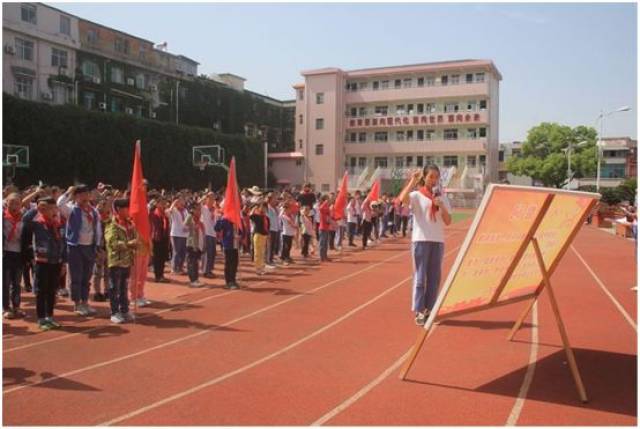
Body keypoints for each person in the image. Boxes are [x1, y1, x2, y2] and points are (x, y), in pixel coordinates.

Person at [398, 165, 452, 326]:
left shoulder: (442, 196)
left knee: (434, 279)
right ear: (425, 177)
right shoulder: (417, 195)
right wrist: (412, 181)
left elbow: (448, 221)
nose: (433, 179)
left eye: (436, 177)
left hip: (437, 241)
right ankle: (419, 310)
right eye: (431, 176)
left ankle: (430, 309)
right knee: (420, 278)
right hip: (421, 240)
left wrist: (441, 205)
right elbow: (403, 199)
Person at [25, 197, 65, 330]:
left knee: (52, 290)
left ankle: (50, 316)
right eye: (50, 208)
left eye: (55, 208)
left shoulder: (56, 223)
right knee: (42, 291)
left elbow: (61, 243)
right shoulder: (37, 222)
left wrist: (62, 261)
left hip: (55, 261)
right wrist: (36, 208)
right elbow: (24, 219)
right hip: (42, 261)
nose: (54, 210)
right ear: (43, 208)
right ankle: (41, 318)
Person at [63, 185, 101, 317]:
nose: (85, 197)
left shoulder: (93, 211)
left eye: (87, 194)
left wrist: (97, 245)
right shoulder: (71, 209)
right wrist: (69, 192)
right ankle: (77, 303)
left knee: (87, 276)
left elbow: (98, 229)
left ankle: (85, 302)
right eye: (81, 195)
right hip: (75, 246)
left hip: (89, 247)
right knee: (76, 276)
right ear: (76, 196)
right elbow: (59, 204)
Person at [105, 198, 138, 324]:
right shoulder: (111, 224)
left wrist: (136, 243)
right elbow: (112, 242)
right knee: (115, 287)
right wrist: (129, 244)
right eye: (126, 208)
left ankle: (124, 310)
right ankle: (114, 312)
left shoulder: (129, 223)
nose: (128, 211)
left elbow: (134, 236)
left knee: (124, 287)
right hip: (116, 261)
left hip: (127, 260)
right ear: (119, 209)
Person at [3, 193, 25, 319]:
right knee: (5, 282)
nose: (14, 205)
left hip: (18, 253)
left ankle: (16, 307)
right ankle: (5, 308)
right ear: (7, 203)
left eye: (17, 203)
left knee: (16, 283)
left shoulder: (24, 218)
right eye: (11, 202)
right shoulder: (3, 217)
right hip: (5, 253)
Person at [214, 216, 241, 289]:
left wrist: (240, 236)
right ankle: (229, 281)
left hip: (235, 245)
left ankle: (233, 279)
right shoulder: (225, 220)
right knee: (229, 263)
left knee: (235, 262)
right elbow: (216, 228)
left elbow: (241, 231)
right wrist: (220, 219)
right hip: (228, 244)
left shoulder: (237, 220)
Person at [92, 199, 111, 302]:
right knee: (98, 272)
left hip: (108, 248)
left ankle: (107, 290)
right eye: (102, 206)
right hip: (99, 248)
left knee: (108, 272)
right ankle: (97, 292)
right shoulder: (96, 219)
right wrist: (96, 248)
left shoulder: (109, 220)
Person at [149, 197, 171, 283]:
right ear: (157, 204)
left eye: (164, 203)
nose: (163, 205)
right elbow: (154, 225)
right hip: (157, 238)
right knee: (157, 258)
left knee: (162, 258)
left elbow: (167, 225)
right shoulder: (154, 213)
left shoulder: (165, 214)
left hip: (164, 237)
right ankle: (157, 276)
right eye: (161, 203)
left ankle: (161, 274)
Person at [184, 201, 205, 287]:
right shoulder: (190, 216)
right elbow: (184, 227)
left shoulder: (199, 218)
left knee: (195, 262)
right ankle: (192, 280)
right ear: (193, 209)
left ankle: (196, 279)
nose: (199, 211)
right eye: (197, 209)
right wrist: (192, 227)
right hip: (191, 242)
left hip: (197, 243)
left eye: (200, 209)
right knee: (191, 262)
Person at [168, 196, 188, 275]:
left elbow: (188, 220)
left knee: (183, 252)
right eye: (180, 202)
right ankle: (174, 268)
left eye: (182, 201)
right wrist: (174, 203)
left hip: (184, 234)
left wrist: (187, 227)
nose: (182, 203)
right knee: (177, 251)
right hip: (176, 233)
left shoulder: (185, 210)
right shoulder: (174, 210)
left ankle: (180, 267)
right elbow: (169, 211)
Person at [200, 192, 218, 279]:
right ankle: (205, 271)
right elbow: (197, 204)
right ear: (206, 199)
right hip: (206, 233)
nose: (212, 200)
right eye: (210, 198)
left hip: (213, 233)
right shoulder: (204, 208)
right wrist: (203, 198)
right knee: (206, 253)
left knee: (212, 253)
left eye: (213, 198)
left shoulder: (215, 210)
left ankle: (209, 270)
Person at [249, 202, 271, 275]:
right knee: (257, 252)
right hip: (258, 235)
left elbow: (268, 227)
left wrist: (268, 235)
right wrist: (255, 207)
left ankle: (262, 267)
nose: (263, 209)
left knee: (262, 252)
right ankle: (257, 268)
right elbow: (250, 216)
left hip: (264, 236)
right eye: (261, 207)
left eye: (264, 208)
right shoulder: (257, 216)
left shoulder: (267, 218)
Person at [318, 195, 332, 262]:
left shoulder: (327, 208)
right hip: (322, 228)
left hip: (327, 227)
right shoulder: (322, 208)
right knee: (322, 243)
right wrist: (325, 202)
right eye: (327, 199)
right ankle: (321, 257)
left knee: (326, 243)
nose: (328, 201)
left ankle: (325, 256)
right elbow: (321, 208)